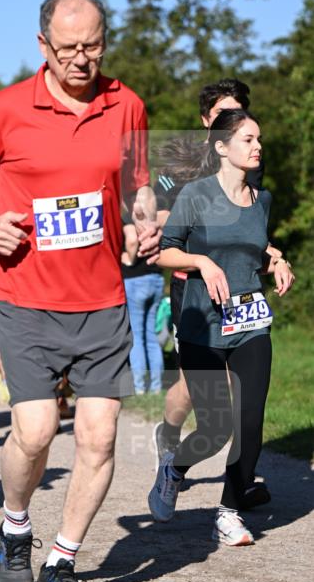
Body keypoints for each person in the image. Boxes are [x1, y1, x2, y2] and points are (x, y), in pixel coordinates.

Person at [0, 0, 160, 582]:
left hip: (101, 299)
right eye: (68, 47)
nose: (81, 58)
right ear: (43, 45)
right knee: (36, 432)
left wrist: (146, 219)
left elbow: (139, 183)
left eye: (92, 45)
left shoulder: (128, 106)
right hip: (25, 296)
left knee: (98, 437)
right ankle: (15, 531)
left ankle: (63, 559)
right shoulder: (8, 107)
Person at [149, 109, 294, 544]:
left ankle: (229, 510)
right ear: (221, 147)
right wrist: (202, 261)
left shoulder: (261, 199)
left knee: (250, 420)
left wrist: (278, 259)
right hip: (202, 328)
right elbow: (164, 251)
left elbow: (255, 245)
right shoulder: (195, 195)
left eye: (259, 139)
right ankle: (173, 469)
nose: (257, 146)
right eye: (248, 139)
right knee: (215, 429)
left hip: (250, 324)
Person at [152, 78, 283, 467]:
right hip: (191, 286)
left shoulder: (248, 159)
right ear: (205, 120)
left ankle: (240, 481)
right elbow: (163, 221)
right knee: (194, 389)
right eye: (222, 115)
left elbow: (250, 227)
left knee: (239, 386)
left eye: (236, 114)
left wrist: (273, 255)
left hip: (240, 290)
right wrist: (199, 251)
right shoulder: (181, 162)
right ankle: (170, 436)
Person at [121, 218, 164, 394]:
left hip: (134, 279)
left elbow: (131, 240)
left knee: (136, 336)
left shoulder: (127, 215)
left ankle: (139, 387)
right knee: (151, 336)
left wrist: (129, 259)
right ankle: (156, 387)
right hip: (156, 278)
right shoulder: (152, 217)